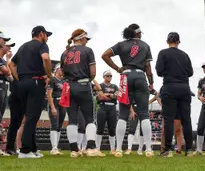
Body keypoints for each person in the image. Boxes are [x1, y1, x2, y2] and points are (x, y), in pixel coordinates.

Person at [102, 23, 154, 158]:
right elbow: (148, 66)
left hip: (125, 76)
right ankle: (148, 149)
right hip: (140, 75)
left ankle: (118, 149)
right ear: (137, 33)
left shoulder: (121, 44)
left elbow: (105, 55)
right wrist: (151, 83)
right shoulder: (144, 45)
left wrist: (117, 68)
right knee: (144, 114)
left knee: (123, 114)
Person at [9, 25, 53, 159]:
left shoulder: (23, 46)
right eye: (46, 34)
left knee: (30, 117)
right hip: (35, 81)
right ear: (41, 34)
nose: (47, 37)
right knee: (32, 117)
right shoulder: (42, 45)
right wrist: (49, 75)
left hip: (23, 83)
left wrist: (19, 78)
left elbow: (11, 64)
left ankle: (33, 149)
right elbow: (45, 58)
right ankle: (25, 150)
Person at [60, 29, 103, 158]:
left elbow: (62, 73)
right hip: (83, 85)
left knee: (72, 120)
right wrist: (87, 80)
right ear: (82, 38)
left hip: (69, 86)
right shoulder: (88, 50)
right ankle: (90, 147)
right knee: (89, 118)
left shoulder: (64, 53)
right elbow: (93, 72)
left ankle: (74, 149)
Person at [155, 32, 194, 157]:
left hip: (169, 86)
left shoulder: (163, 53)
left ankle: (167, 150)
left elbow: (159, 71)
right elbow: (190, 72)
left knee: (168, 120)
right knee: (186, 119)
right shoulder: (185, 55)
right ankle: (189, 149)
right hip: (184, 87)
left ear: (167, 41)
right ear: (178, 42)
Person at [95, 70, 118, 154]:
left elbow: (117, 96)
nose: (109, 77)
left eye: (110, 76)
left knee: (112, 128)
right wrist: (110, 95)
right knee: (100, 128)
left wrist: (106, 95)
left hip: (112, 107)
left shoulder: (115, 86)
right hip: (102, 106)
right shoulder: (100, 85)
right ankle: (97, 148)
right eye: (107, 76)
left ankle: (112, 149)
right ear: (104, 76)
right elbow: (100, 97)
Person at [47, 63, 66, 155]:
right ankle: (53, 147)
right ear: (57, 69)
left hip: (63, 104)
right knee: (54, 125)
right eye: (61, 69)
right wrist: (52, 107)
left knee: (59, 126)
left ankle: (56, 147)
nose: (63, 71)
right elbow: (49, 94)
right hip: (55, 102)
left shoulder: (64, 81)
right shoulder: (53, 79)